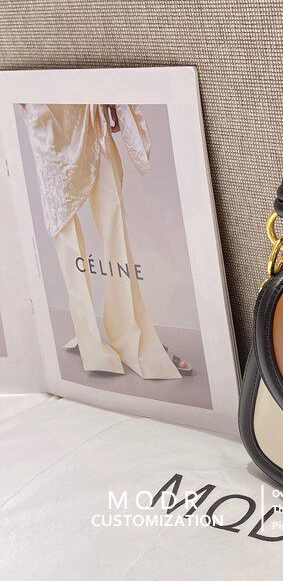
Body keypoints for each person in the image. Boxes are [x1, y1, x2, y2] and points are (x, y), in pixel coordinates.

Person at [22, 103, 191, 379]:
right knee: (65, 230)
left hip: (84, 103)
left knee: (113, 216)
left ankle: (134, 335)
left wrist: (111, 95)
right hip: (45, 107)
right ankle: (88, 338)